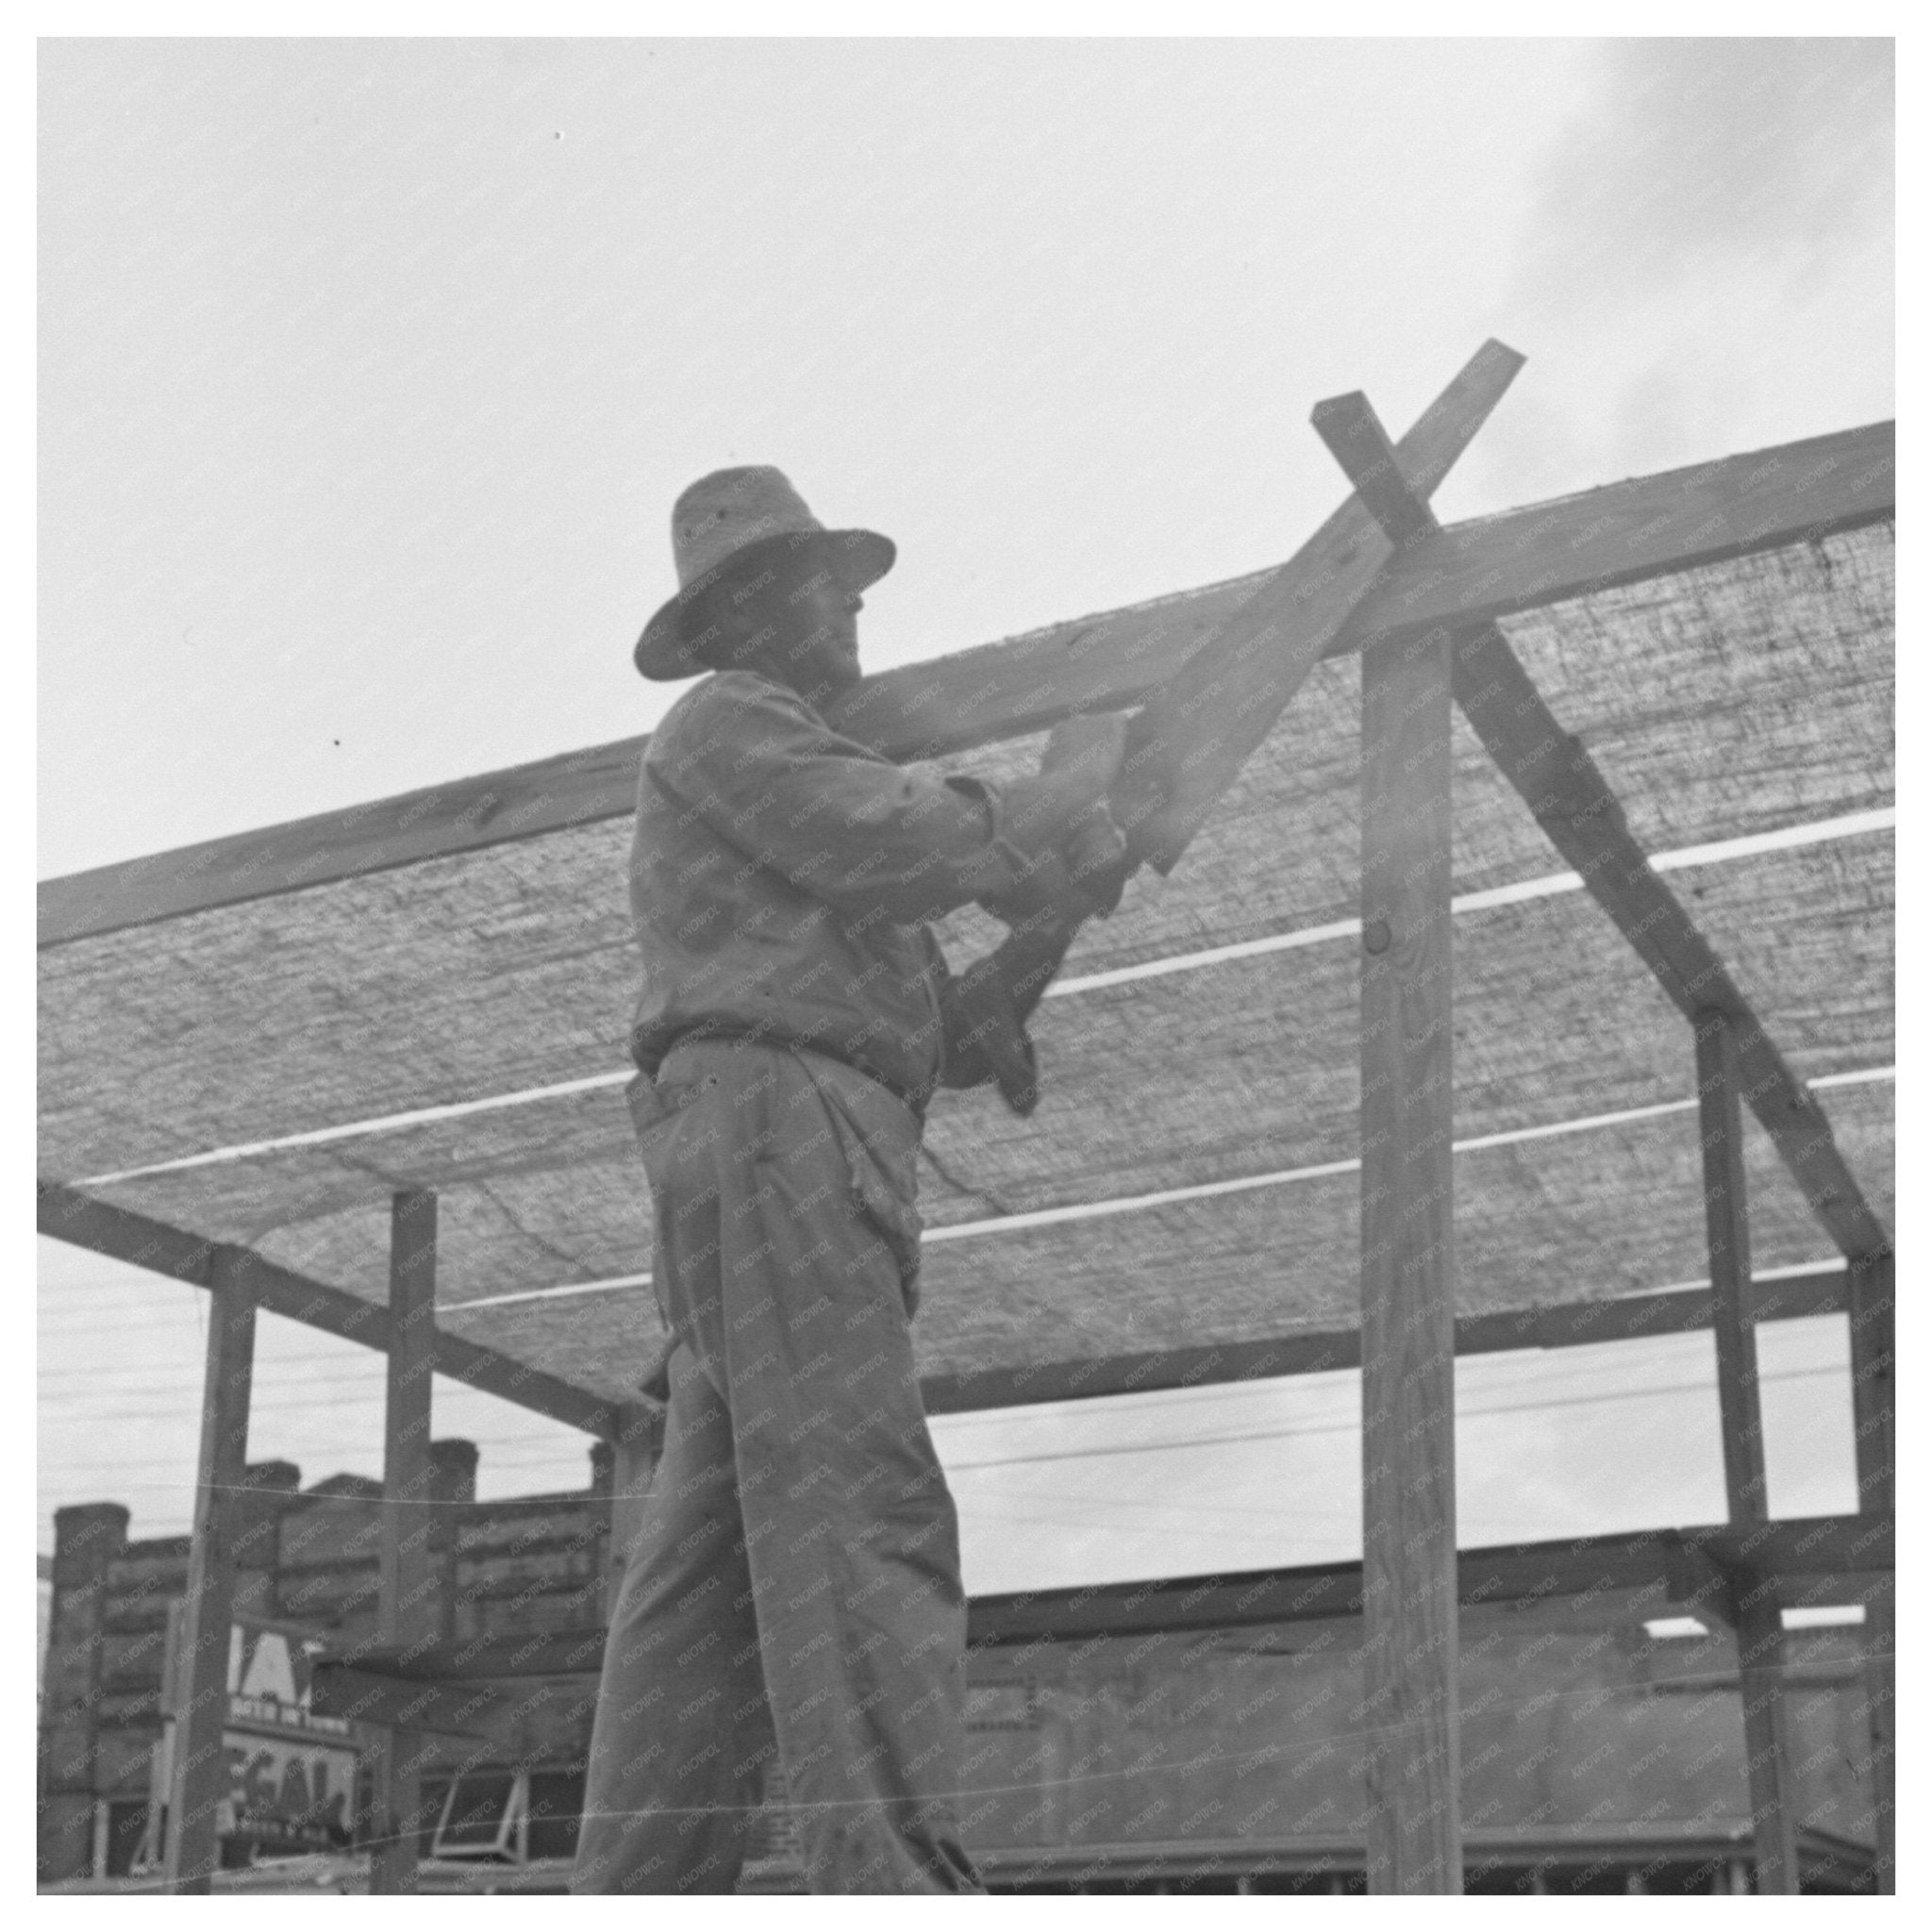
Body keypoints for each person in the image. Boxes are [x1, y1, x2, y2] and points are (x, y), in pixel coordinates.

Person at [573, 467, 1127, 1895]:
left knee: (702, 1585)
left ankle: (635, 1900)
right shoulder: (734, 722)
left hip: (767, 1141)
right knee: (856, 1512)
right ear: (744, 609)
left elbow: (922, 1020)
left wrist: (1014, 963)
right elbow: (894, 843)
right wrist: (1055, 811)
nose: (855, 604)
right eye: (826, 581)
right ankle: (894, 1889)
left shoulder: (780, 805)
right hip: (784, 1138)